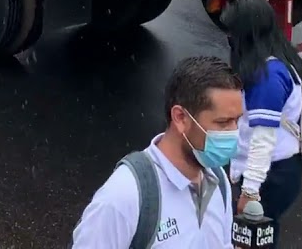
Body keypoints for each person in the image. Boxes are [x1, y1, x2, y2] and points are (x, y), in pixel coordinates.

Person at [71, 56, 241, 248]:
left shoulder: (218, 181)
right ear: (180, 118)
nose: (234, 133)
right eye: (223, 123)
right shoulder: (124, 197)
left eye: (237, 121)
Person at [223, 0, 302, 231]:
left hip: (269, 176)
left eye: (232, 32)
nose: (229, 38)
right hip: (282, 169)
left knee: (253, 239)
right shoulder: (282, 61)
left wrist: (250, 191)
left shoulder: (266, 78)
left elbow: (262, 138)